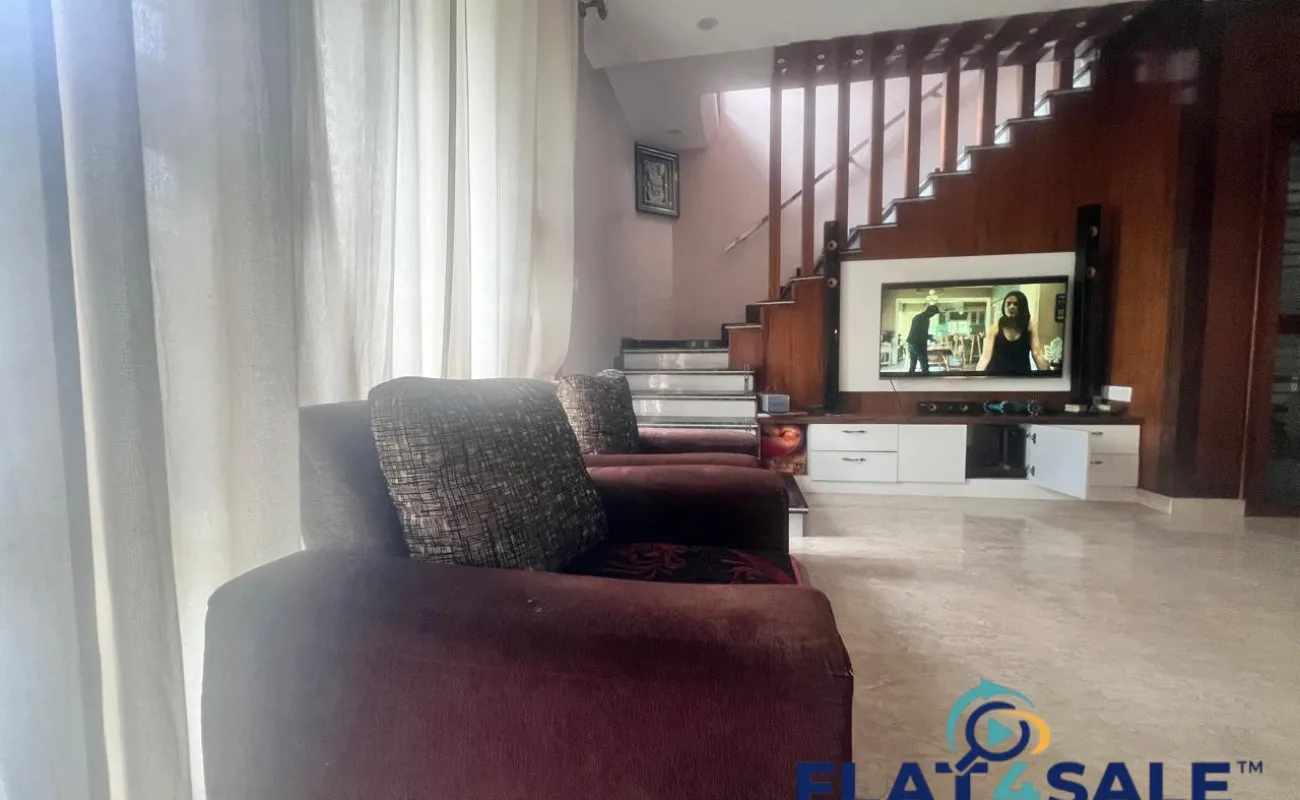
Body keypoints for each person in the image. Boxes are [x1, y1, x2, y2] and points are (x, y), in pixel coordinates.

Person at [976, 290, 1050, 375]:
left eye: (1016, 304)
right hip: (996, 374)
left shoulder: (1030, 325)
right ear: (1004, 306)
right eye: (1008, 304)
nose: (1011, 307)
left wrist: (1048, 375)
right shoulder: (994, 328)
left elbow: (1037, 353)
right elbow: (985, 357)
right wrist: (975, 376)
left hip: (1021, 375)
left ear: (1022, 306)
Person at [906, 304, 941, 374]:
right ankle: (925, 376)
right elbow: (921, 333)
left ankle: (911, 376)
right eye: (933, 313)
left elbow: (918, 331)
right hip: (918, 343)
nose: (933, 315)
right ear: (930, 311)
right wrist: (930, 338)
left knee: (913, 362)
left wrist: (929, 336)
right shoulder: (925, 319)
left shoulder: (918, 317)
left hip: (911, 342)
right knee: (923, 362)